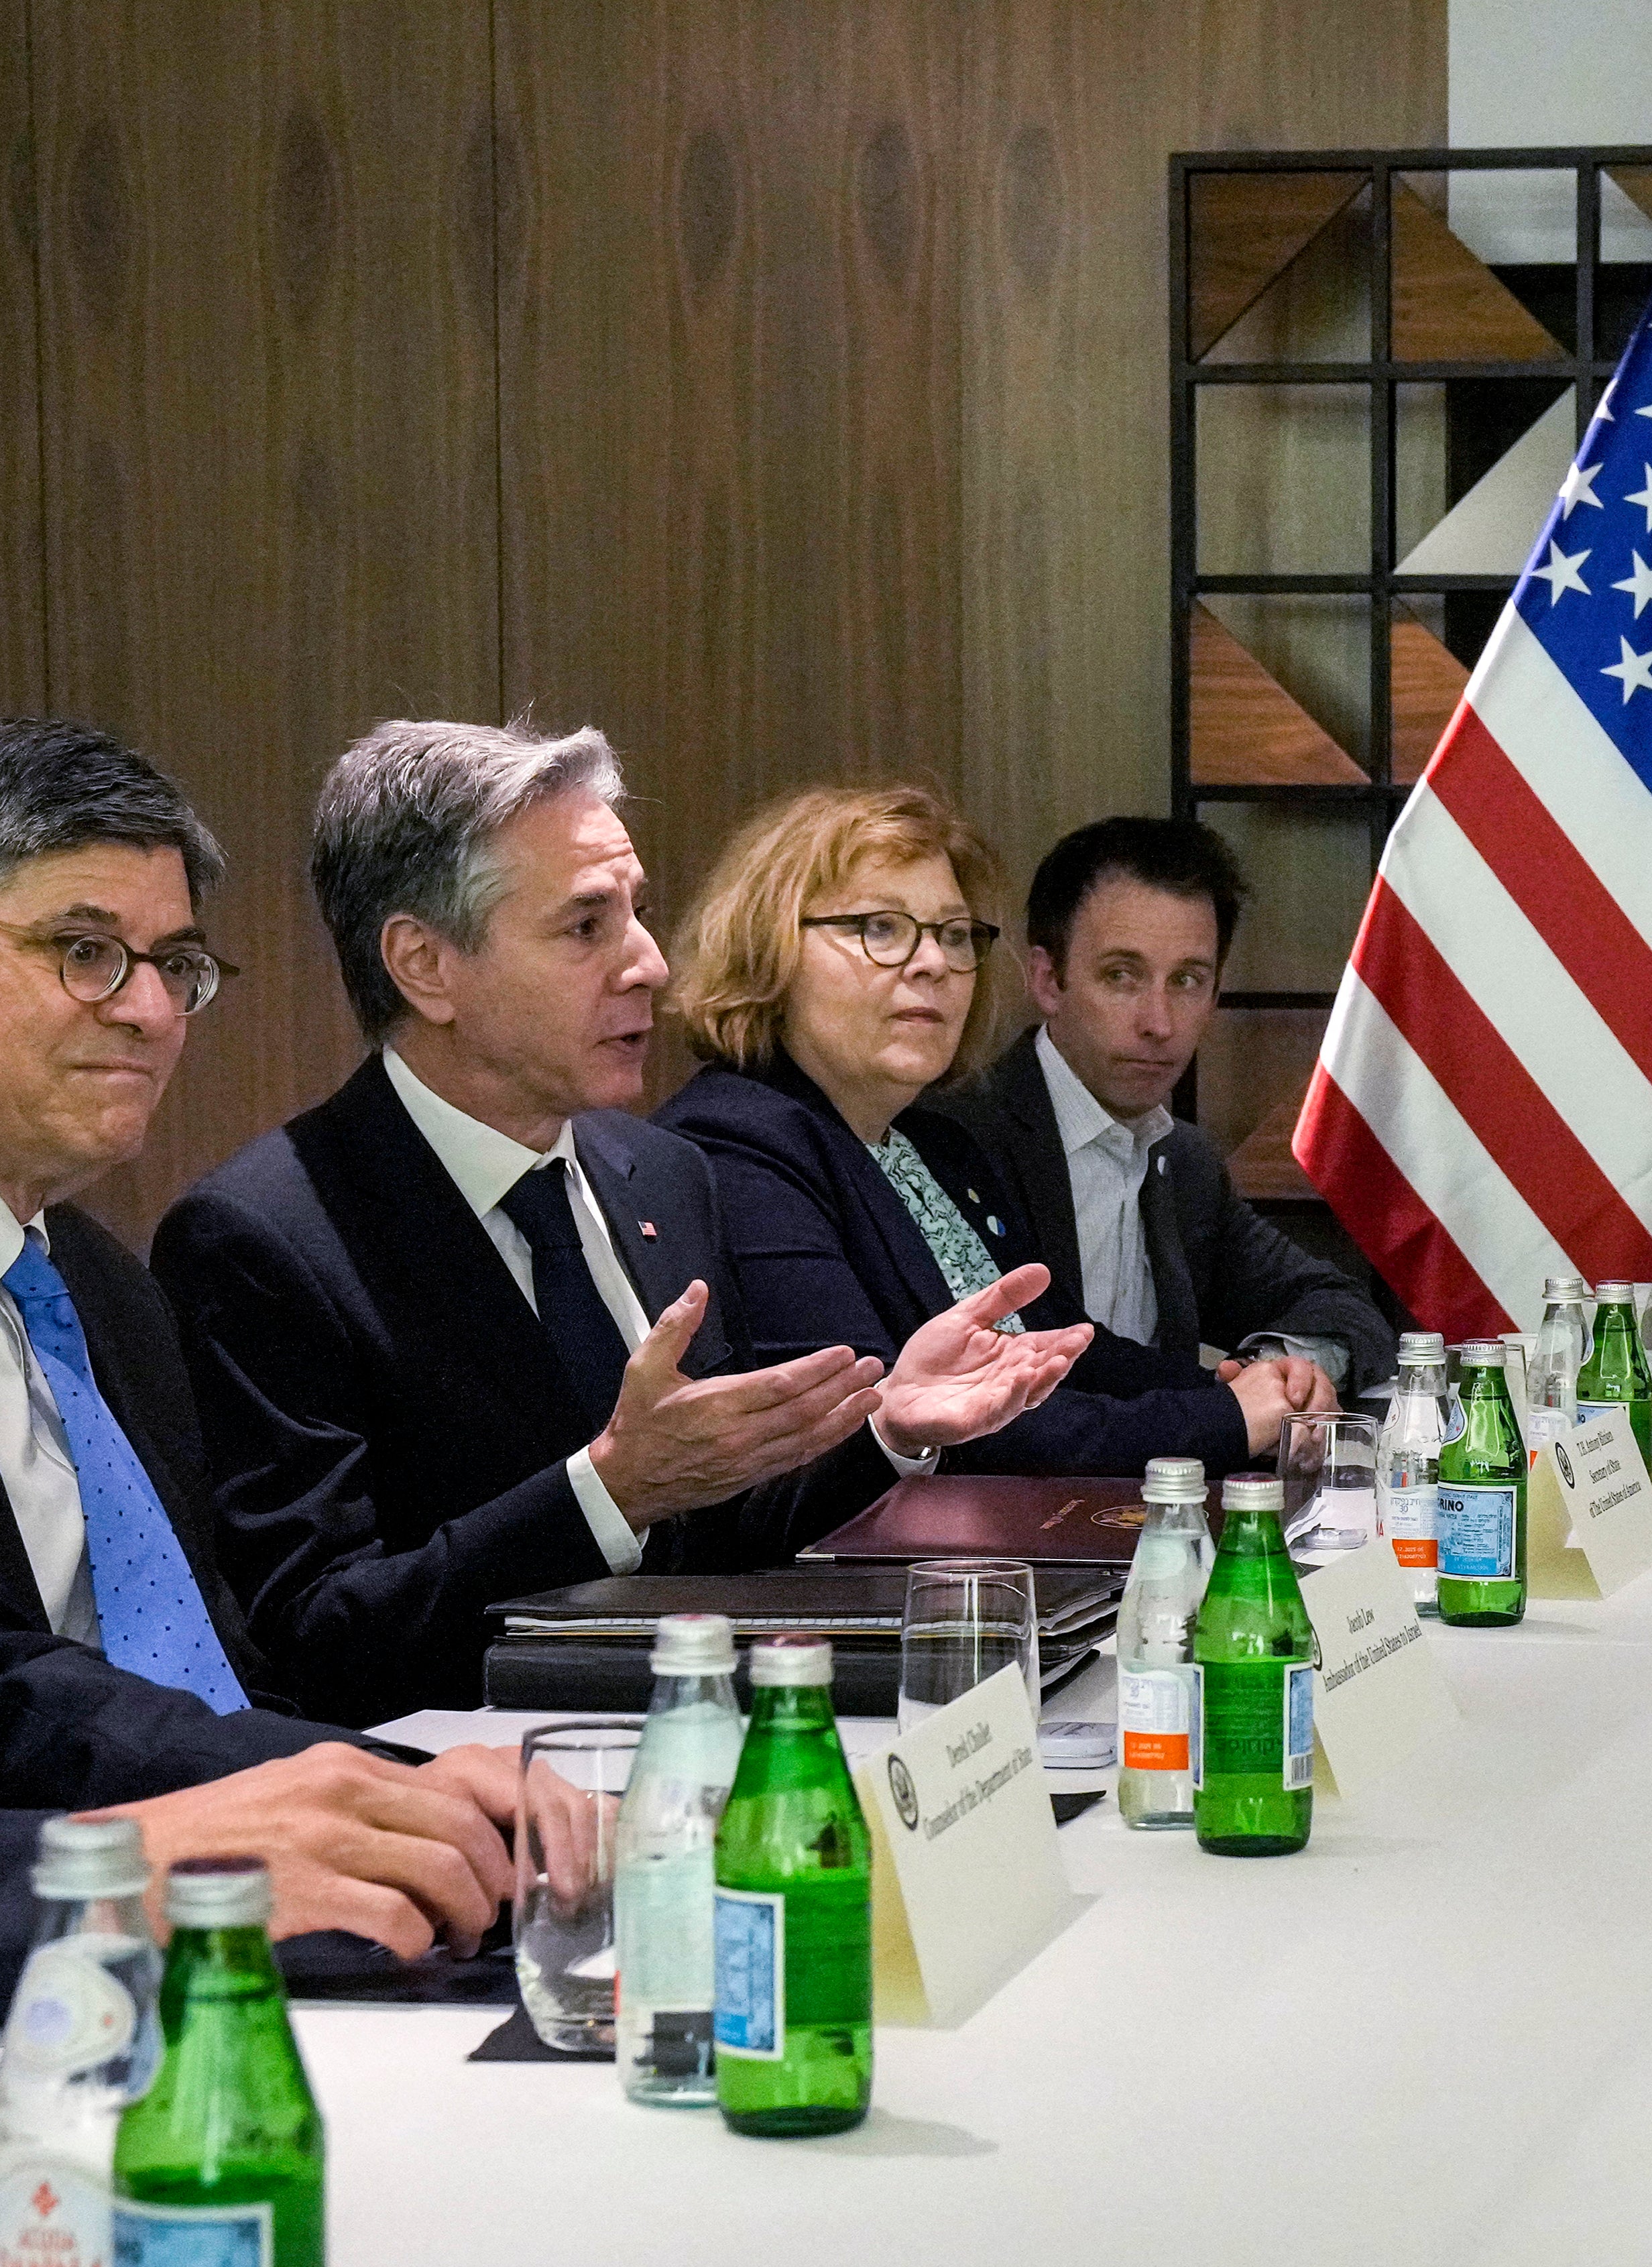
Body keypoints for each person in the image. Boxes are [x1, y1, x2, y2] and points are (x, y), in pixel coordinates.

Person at [158, 723, 1087, 1723]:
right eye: (585, 927)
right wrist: (607, 1491)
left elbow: (719, 1529)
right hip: (460, 1790)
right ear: (425, 965)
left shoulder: (659, 1174)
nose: (649, 963)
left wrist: (891, 1430)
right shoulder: (265, 1235)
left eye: (638, 914)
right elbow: (316, 1637)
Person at [0, 719, 525, 1962]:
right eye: (85, 951)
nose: (146, 1010)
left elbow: (191, 1683)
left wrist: (378, 1787)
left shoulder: (109, 1295)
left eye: (174, 964)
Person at [652, 786, 1308, 1474]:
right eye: (881, 928)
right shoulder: (736, 1144)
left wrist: (1228, 1387)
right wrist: (1222, 1420)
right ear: (770, 949)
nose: (933, 962)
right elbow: (909, 1423)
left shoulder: (934, 1145)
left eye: (954, 935)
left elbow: (1057, 1345)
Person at [927, 815, 1391, 1403]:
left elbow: (1341, 1305)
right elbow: (1039, 1366)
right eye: (1122, 976)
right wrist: (1225, 1404)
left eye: (1188, 981)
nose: (1160, 1023)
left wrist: (1277, 1369)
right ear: (1048, 981)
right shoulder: (956, 1136)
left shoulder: (1187, 1162)